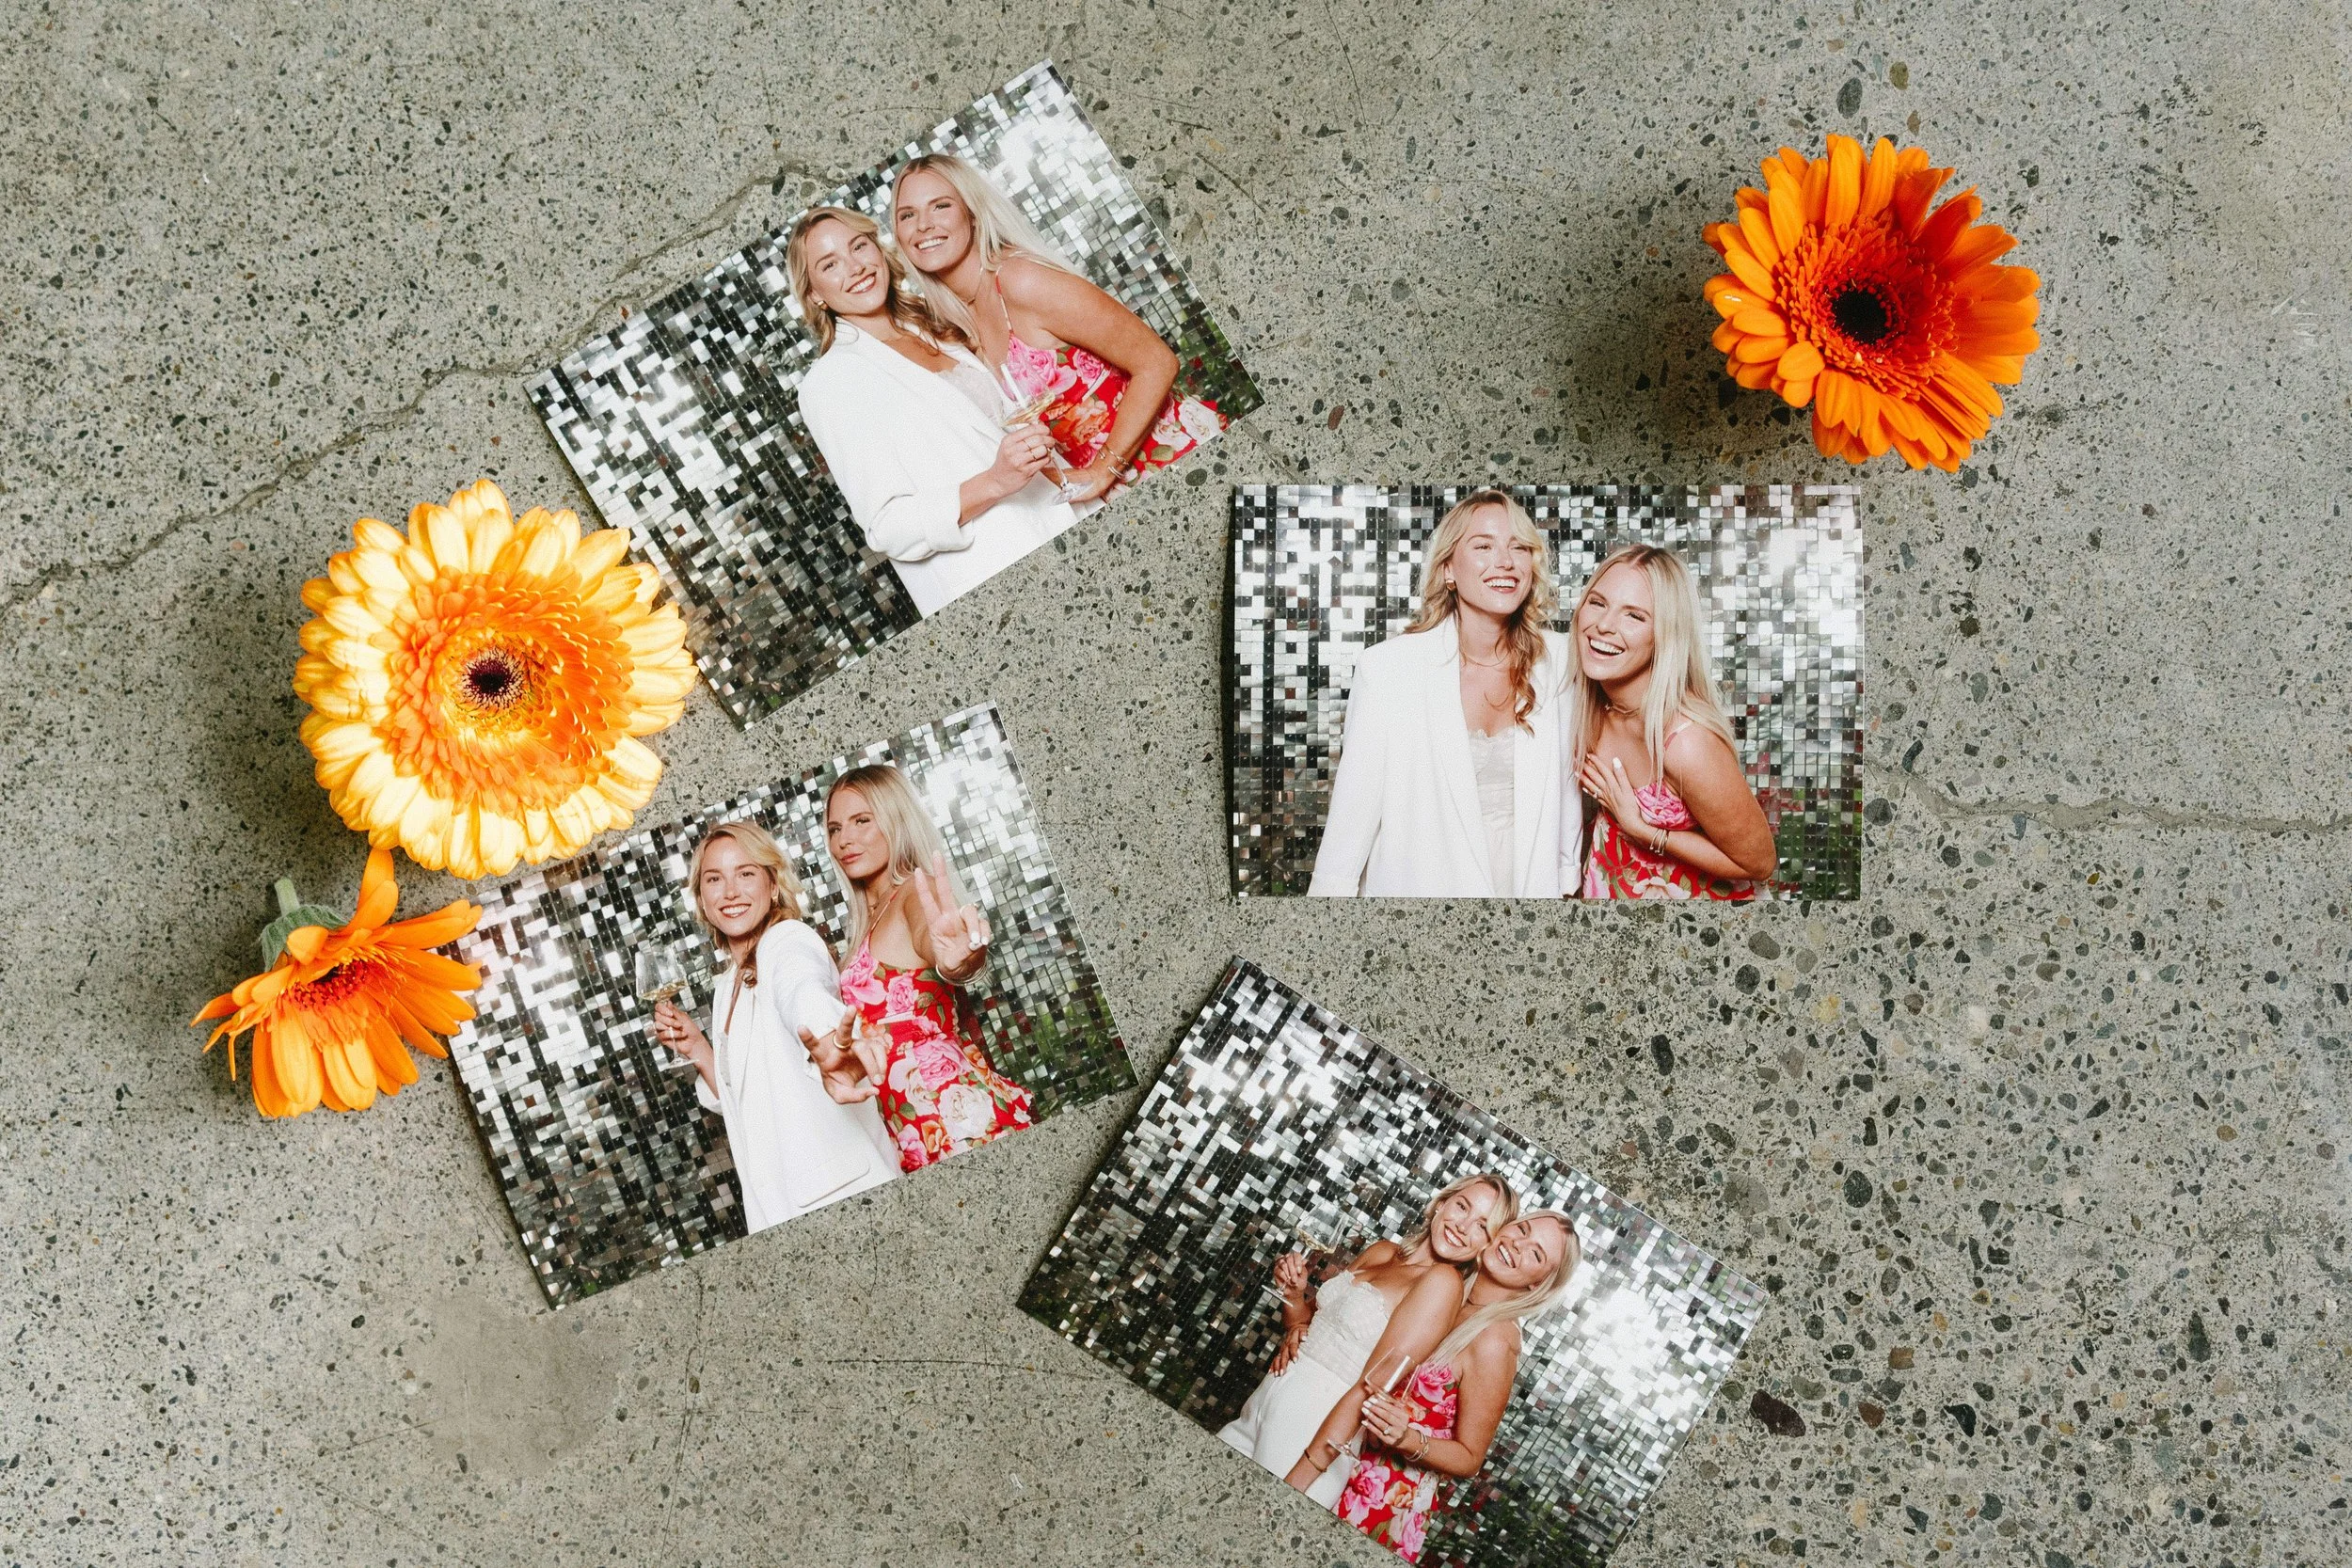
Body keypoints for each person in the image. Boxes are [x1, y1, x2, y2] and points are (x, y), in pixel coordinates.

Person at [891, 153, 1228, 506]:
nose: (923, 225)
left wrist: (1103, 470)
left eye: (940, 206)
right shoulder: (955, 322)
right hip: (1106, 498)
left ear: (972, 215)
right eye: (908, 215)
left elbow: (1157, 361)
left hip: (1177, 457)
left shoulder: (1021, 281)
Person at [788, 205, 1077, 616]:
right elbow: (888, 527)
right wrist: (996, 481)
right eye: (830, 264)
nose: (854, 268)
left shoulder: (935, 321)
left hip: (1062, 518)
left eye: (859, 246)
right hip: (998, 576)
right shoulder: (832, 382)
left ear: (878, 249)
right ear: (814, 293)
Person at [1309, 490, 1581, 898]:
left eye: (1519, 547)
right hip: (1420, 902)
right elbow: (1353, 817)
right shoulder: (1388, 669)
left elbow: (1568, 798)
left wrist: (1568, 889)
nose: (1505, 562)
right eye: (1483, 545)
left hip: (1530, 892)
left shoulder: (1560, 662)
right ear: (1449, 569)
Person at [651, 821, 898, 1233]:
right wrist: (699, 1050)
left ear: (773, 885)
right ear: (701, 899)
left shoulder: (787, 941)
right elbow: (746, 1098)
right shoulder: (727, 984)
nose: (730, 892)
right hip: (776, 1212)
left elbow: (802, 991)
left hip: (843, 1199)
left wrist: (832, 1041)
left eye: (746, 873)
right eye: (715, 879)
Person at [1301, 1212, 1583, 1563]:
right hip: (1336, 1449)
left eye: (1536, 1254)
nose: (1517, 1245)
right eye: (1521, 1230)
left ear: (1538, 1283)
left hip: (1384, 1497)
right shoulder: (1449, 1286)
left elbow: (1470, 1458)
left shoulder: (1496, 1338)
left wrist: (1407, 1439)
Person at [803, 763, 1033, 1172]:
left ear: (896, 821)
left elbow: (939, 945)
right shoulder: (869, 917)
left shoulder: (912, 892)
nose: (845, 840)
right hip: (908, 1126)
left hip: (952, 1115)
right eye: (835, 829)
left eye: (861, 821)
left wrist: (961, 959)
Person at [1217, 1174, 1519, 1481]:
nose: (1463, 1226)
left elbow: (1369, 1389)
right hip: (1263, 1401)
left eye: (1482, 1226)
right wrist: (1294, 1296)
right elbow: (1308, 1326)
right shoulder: (1384, 1251)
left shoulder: (1442, 1284)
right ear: (1441, 1204)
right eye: (1462, 1207)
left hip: (1312, 1428)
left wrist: (1306, 1471)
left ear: (1487, 1244)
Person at [1567, 545, 1778, 899]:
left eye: (1634, 616)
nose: (1603, 625)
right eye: (1598, 603)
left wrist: (1643, 830)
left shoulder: (1686, 743)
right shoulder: (1591, 708)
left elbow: (1759, 863)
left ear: (1665, 635)